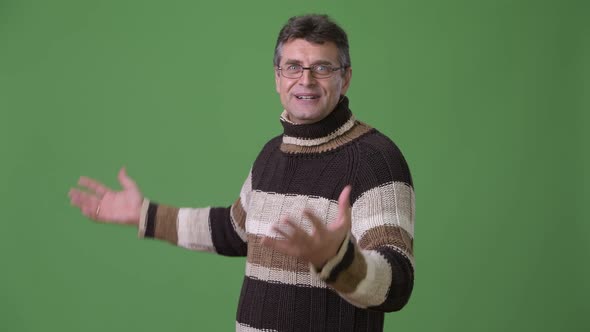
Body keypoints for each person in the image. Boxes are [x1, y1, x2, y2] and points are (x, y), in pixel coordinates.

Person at [69, 14, 415, 332]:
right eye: (293, 66)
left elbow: (397, 282)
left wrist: (338, 261)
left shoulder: (374, 160)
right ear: (277, 77)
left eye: (322, 68)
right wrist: (144, 214)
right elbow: (235, 231)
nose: (305, 80)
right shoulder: (271, 154)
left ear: (346, 77)